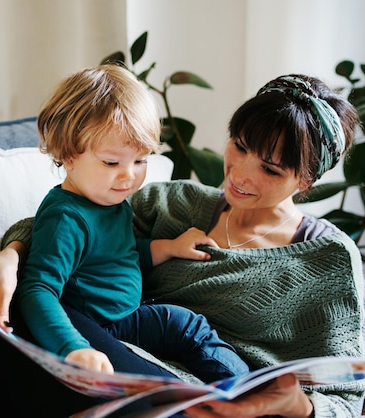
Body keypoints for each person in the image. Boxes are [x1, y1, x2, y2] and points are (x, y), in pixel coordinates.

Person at [0, 72, 363, 418]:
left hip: (174, 398)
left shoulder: (327, 260)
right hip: (78, 359)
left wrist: (299, 406)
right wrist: (7, 259)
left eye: (268, 167)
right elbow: (70, 222)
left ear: (307, 180)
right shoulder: (177, 202)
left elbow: (345, 395)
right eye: (238, 146)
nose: (240, 174)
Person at [16, 65, 249, 381]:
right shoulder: (66, 218)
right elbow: (38, 289)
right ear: (68, 155)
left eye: (140, 160)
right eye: (112, 162)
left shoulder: (109, 201)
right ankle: (250, 391)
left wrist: (168, 248)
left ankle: (239, 384)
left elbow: (117, 256)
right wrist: (73, 347)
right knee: (186, 326)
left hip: (126, 311)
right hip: (106, 324)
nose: (129, 175)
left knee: (191, 329)